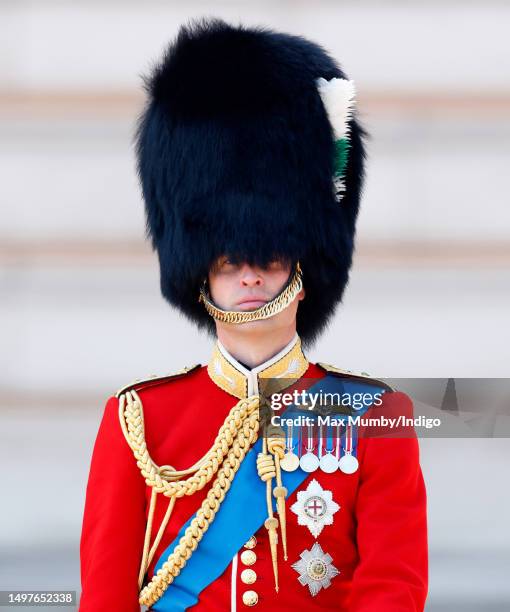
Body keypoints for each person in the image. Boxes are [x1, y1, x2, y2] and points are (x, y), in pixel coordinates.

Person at [79, 18, 428, 611]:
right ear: (200, 275)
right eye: (226, 260)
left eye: (267, 256)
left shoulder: (374, 418)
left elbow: (391, 587)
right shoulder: (138, 420)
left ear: (303, 270)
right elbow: (107, 594)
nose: (248, 276)